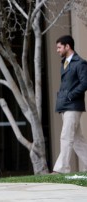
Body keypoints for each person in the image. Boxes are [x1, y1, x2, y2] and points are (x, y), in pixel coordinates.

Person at [53, 35, 87, 173]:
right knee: (78, 140)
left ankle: (62, 169)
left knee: (66, 136)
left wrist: (70, 95)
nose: (57, 50)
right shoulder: (64, 63)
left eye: (59, 47)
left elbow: (85, 83)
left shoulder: (80, 63)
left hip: (73, 105)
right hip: (65, 105)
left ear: (68, 46)